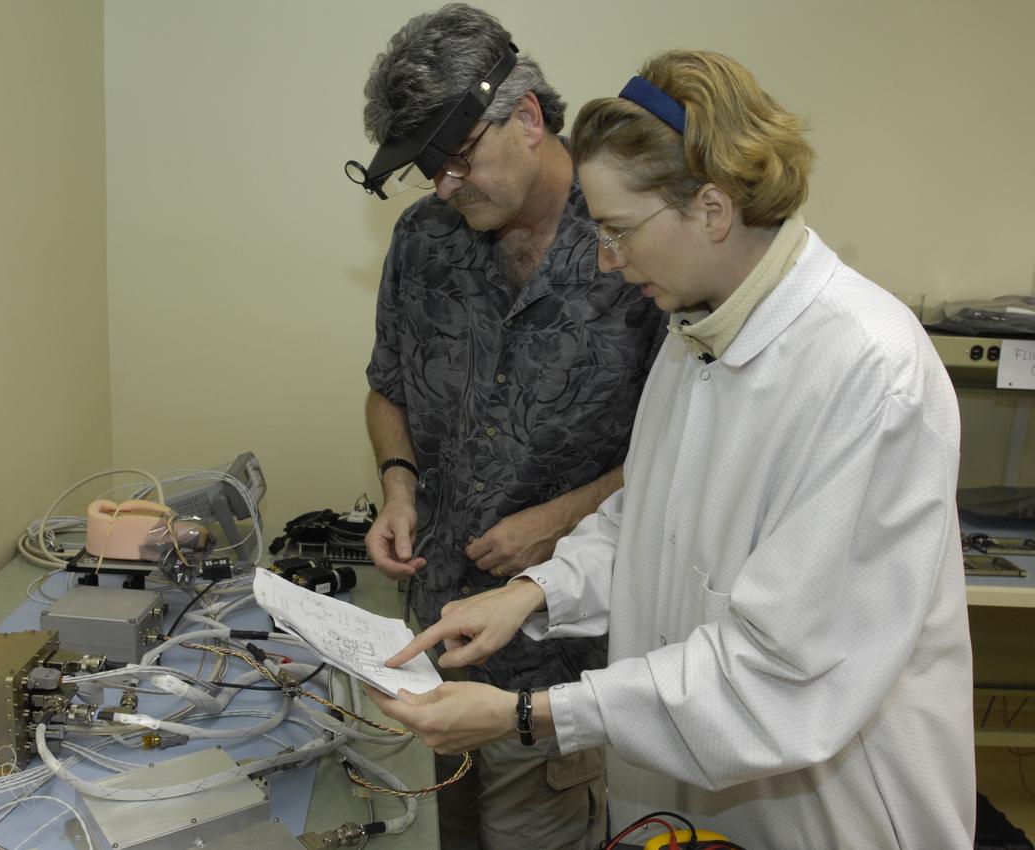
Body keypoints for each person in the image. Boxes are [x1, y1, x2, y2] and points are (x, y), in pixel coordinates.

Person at [372, 49, 976, 849]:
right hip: (680, 790)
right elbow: (646, 523)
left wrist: (529, 712)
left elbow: (776, 679)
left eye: (619, 231)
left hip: (824, 814)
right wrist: (533, 593)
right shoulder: (698, 336)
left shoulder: (867, 372)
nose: (605, 261)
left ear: (713, 211)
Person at [347, 5, 664, 849]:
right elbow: (387, 390)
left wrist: (565, 517)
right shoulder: (424, 241)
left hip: (561, 664)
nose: (445, 187)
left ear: (526, 117)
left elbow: (683, 449)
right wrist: (398, 483)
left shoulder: (637, 247)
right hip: (430, 644)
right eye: (429, 171)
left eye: (457, 161)